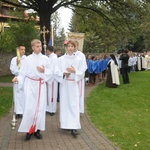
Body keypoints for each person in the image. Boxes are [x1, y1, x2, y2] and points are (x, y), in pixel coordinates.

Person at [12, 39, 53, 141]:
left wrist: (44, 70)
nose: (39, 48)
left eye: (40, 46)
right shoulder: (27, 59)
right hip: (30, 85)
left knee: (39, 109)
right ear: (32, 47)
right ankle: (29, 130)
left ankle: (37, 130)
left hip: (40, 85)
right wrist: (17, 78)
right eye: (37, 46)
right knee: (29, 108)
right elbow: (22, 73)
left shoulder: (45, 59)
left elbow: (51, 72)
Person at [54, 40, 85, 138]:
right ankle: (65, 124)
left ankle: (74, 126)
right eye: (69, 46)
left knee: (74, 104)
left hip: (73, 84)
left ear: (75, 47)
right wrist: (63, 73)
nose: (70, 48)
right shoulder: (61, 59)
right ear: (66, 47)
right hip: (65, 84)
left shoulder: (78, 59)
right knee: (65, 104)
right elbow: (56, 71)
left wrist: (74, 71)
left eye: (72, 46)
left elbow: (82, 71)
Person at [10, 45, 26, 118]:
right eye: (21, 49)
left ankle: (23, 111)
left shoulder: (26, 59)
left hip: (24, 79)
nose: (23, 51)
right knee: (17, 95)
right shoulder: (14, 59)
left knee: (24, 95)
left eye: (24, 50)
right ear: (18, 51)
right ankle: (17, 111)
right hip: (17, 78)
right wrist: (17, 63)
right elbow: (13, 70)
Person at [74, 41, 87, 113]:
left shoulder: (81, 55)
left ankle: (78, 109)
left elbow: (84, 66)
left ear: (78, 46)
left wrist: (77, 72)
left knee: (79, 94)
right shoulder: (69, 54)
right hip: (71, 79)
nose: (73, 47)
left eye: (75, 46)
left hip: (79, 78)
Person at [46, 46, 58, 116]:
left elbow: (52, 69)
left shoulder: (54, 58)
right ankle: (49, 108)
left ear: (48, 50)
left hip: (52, 78)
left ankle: (52, 109)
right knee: (49, 94)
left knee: (52, 94)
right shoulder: (50, 57)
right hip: (49, 78)